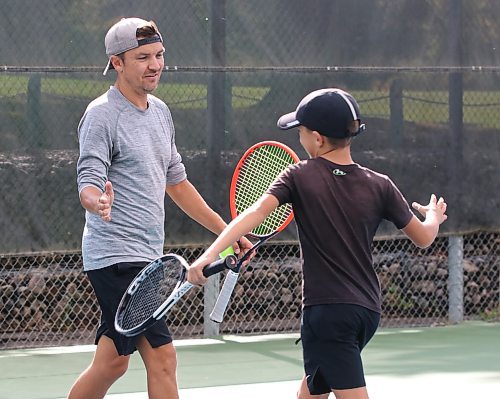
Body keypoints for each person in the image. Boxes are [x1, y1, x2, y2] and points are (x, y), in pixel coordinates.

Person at [188, 88, 448, 399]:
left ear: (318, 139)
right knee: (311, 392)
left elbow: (254, 214)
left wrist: (206, 256)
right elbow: (424, 237)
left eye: (300, 131)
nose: (299, 138)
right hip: (367, 311)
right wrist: (432, 215)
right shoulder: (381, 184)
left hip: (327, 314)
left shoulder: (298, 175)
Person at [70, 17, 251, 399]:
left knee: (112, 362)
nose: (155, 65)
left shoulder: (161, 112)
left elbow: (177, 183)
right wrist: (96, 200)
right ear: (117, 63)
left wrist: (226, 231)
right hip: (116, 256)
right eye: (142, 57)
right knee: (163, 358)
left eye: (159, 55)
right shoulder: (102, 115)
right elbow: (88, 177)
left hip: (147, 256)